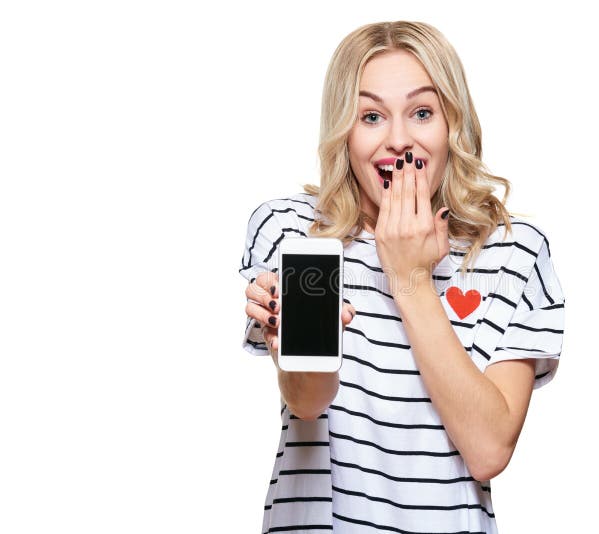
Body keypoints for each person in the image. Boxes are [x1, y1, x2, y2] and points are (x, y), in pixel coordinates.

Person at [239, 20, 565, 533]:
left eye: (420, 112)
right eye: (371, 116)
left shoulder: (514, 252)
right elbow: (305, 402)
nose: (397, 140)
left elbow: (488, 450)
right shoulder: (298, 232)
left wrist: (410, 278)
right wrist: (296, 346)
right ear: (344, 132)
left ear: (450, 124)